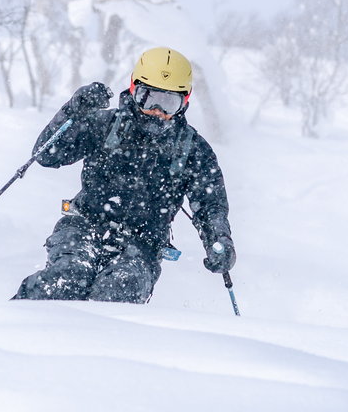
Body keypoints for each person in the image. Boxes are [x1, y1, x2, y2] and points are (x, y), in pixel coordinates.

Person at [12, 47, 236, 303]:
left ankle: (99, 342)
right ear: (133, 88)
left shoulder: (192, 149)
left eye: (168, 103)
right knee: (67, 278)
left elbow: (211, 205)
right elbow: (47, 155)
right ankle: (8, 329)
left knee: (118, 289)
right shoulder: (105, 125)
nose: (156, 110)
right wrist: (73, 112)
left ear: (185, 101)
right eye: (147, 97)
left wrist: (219, 240)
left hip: (143, 244)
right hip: (84, 225)